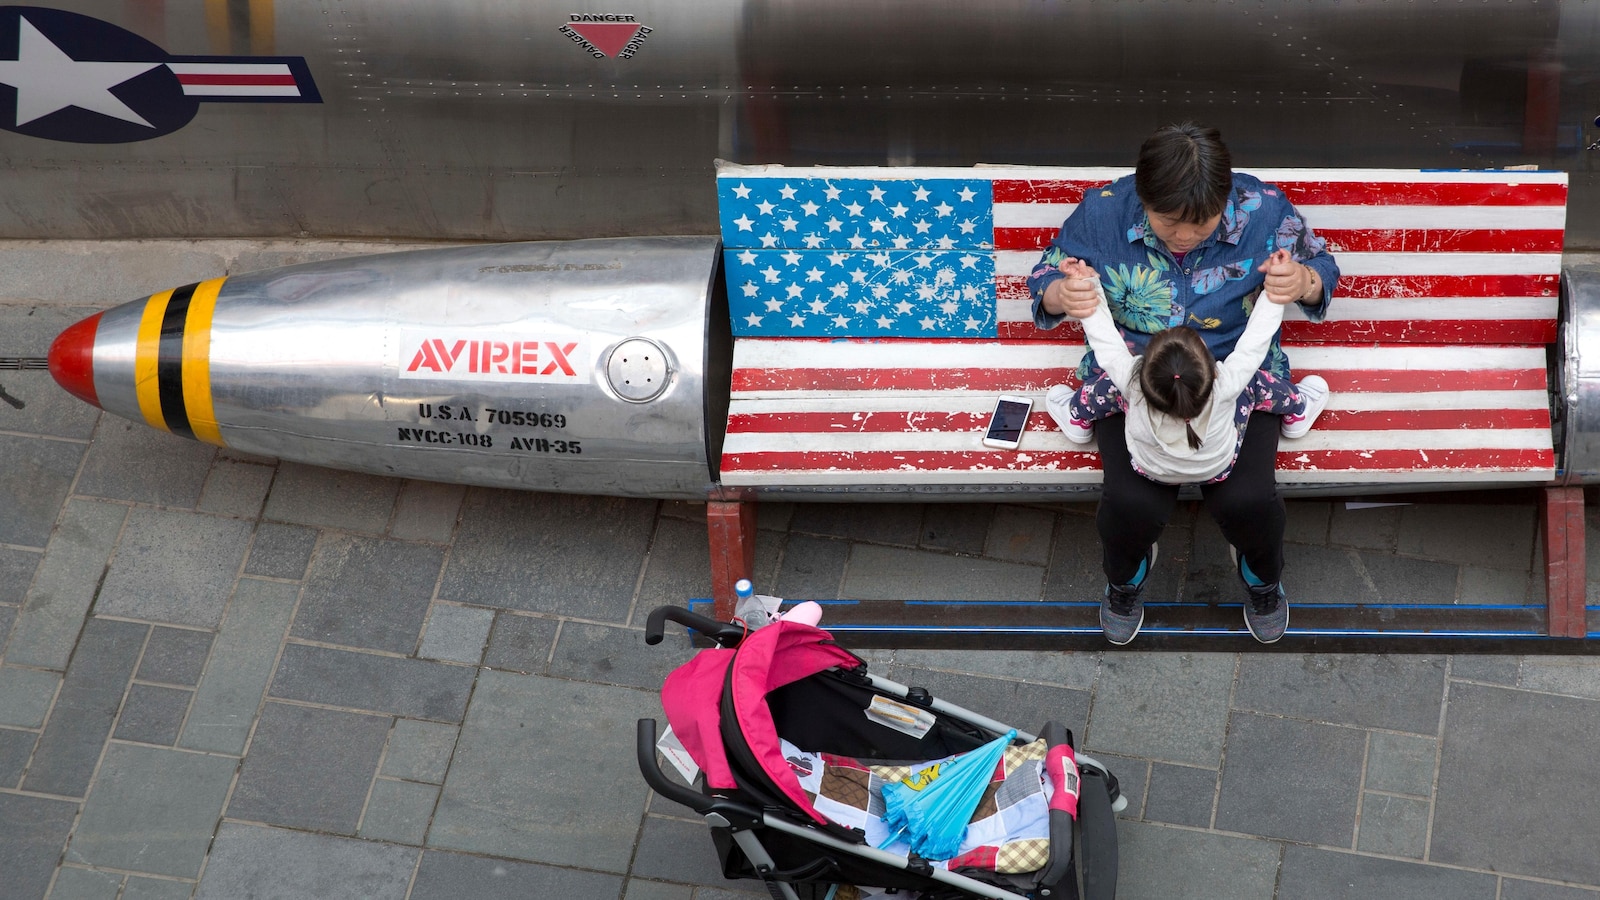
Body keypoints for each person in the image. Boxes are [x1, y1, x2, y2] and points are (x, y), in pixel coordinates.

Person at [1027, 122, 1339, 644]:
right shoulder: (1104, 212)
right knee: (1132, 505)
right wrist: (1062, 293)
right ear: (1143, 198)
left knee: (1248, 502)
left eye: (1202, 225)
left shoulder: (1265, 210)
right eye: (1169, 222)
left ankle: (1261, 577)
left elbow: (1322, 268)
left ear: (1224, 198)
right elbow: (1044, 276)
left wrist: (1302, 281)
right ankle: (1126, 578)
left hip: (1234, 374)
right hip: (1138, 375)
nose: (1185, 237)